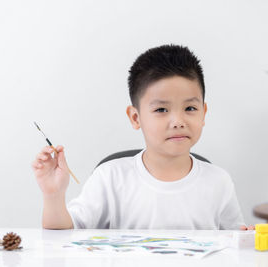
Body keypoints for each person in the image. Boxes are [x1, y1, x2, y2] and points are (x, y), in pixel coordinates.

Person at [31, 44, 251, 230]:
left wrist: (248, 239)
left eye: (190, 108)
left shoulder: (219, 182)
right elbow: (61, 236)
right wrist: (53, 196)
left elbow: (236, 245)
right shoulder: (110, 178)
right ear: (135, 117)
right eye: (162, 110)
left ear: (204, 113)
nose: (178, 121)